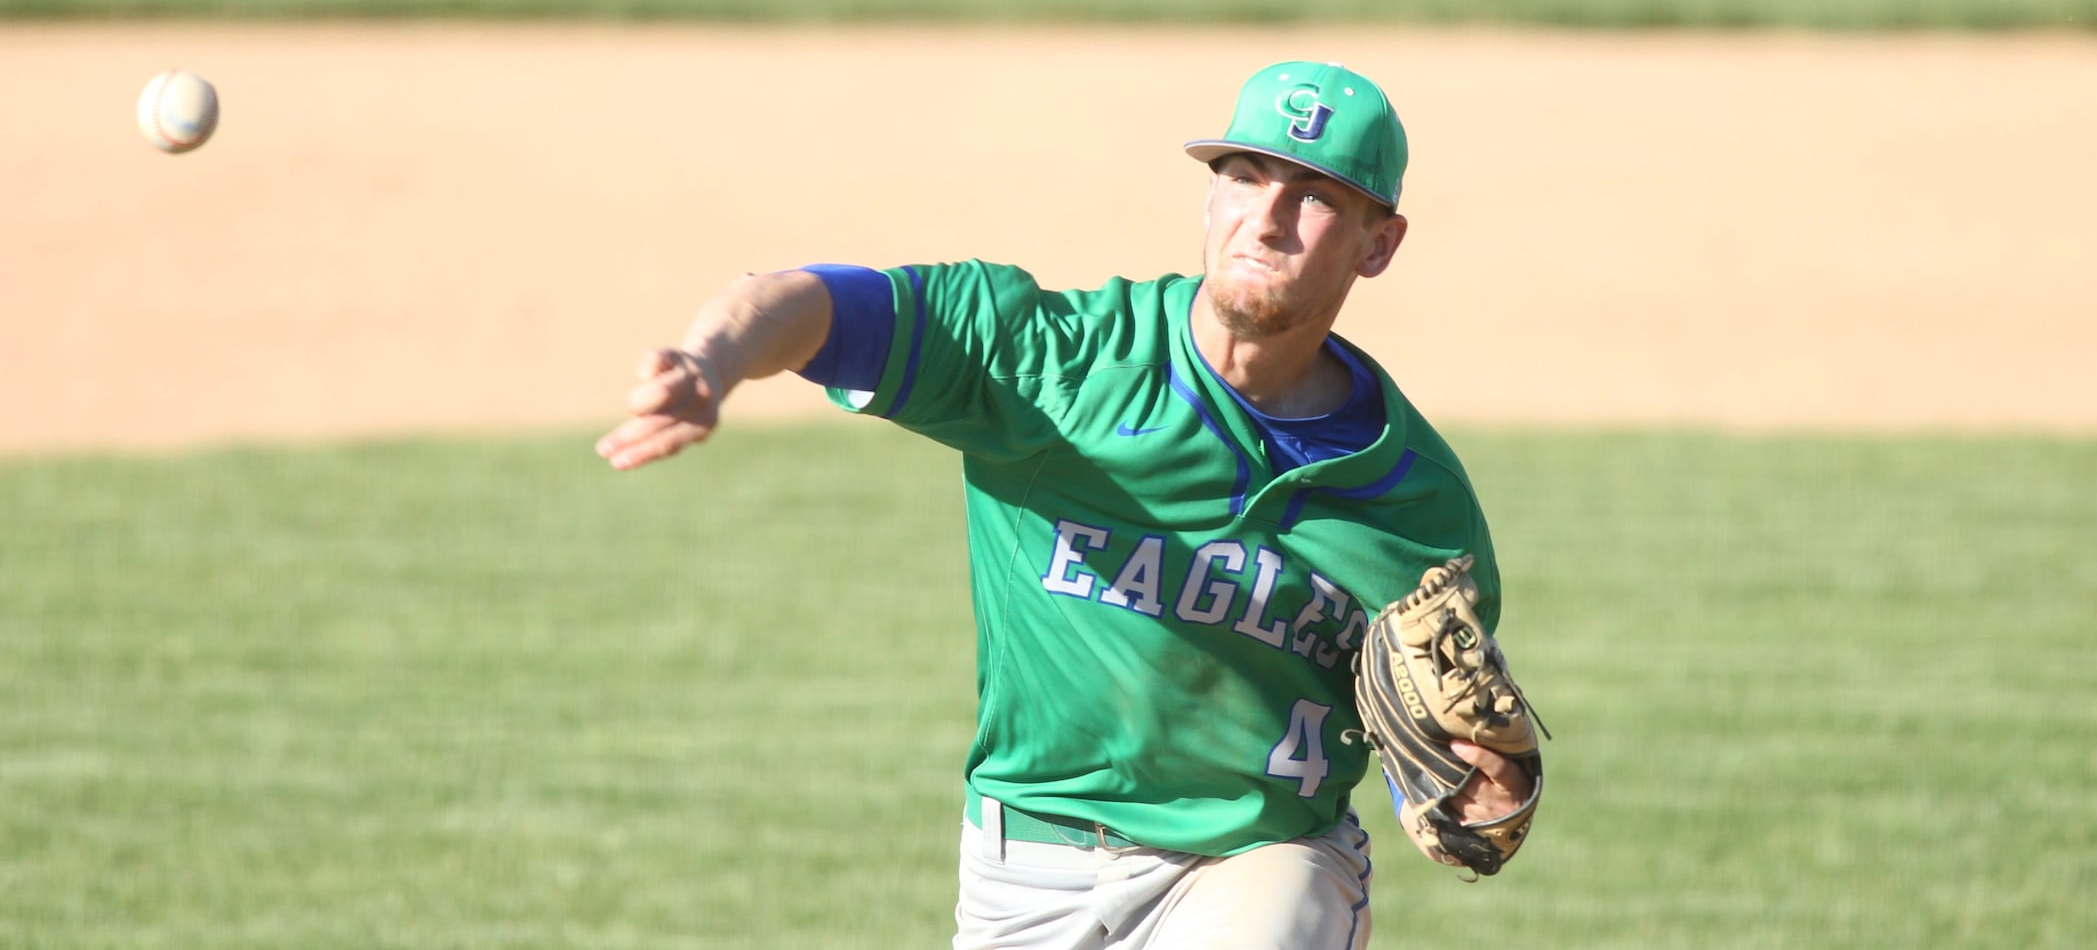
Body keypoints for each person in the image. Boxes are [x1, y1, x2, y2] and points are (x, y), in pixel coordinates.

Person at [597, 60, 1531, 949]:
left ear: (1379, 243)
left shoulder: (1417, 508)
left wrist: (1469, 790)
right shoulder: (1057, 364)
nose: (1268, 218)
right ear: (1209, 197)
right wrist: (710, 361)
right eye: (1245, 176)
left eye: (1316, 196)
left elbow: (1443, 753)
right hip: (1024, 861)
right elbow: (812, 305)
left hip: (1260, 857)